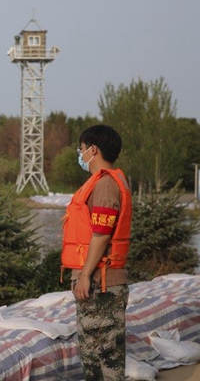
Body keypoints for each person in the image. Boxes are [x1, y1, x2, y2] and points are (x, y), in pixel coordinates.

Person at [61, 124, 132, 381]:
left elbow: (101, 235)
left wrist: (84, 276)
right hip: (96, 281)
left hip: (101, 284)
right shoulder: (102, 182)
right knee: (93, 359)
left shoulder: (105, 185)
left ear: (93, 150)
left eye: (81, 149)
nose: (80, 154)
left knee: (106, 359)